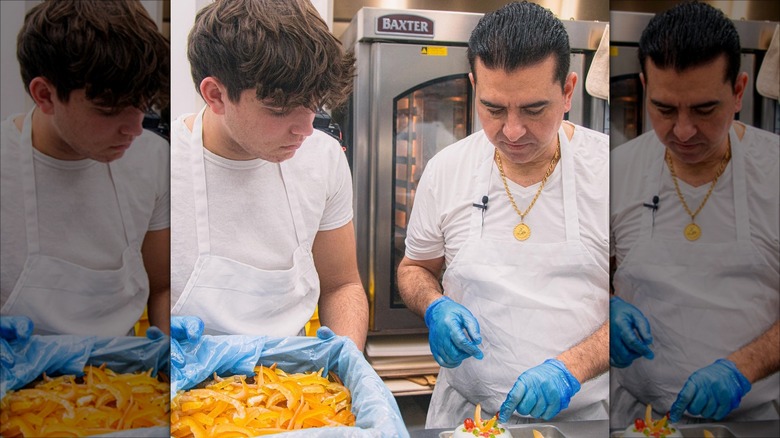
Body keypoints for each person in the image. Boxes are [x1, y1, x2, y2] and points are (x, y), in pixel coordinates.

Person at [397, 2, 610, 428]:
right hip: (466, 418)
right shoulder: (446, 169)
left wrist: (570, 367)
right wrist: (434, 305)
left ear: (568, 91)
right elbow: (415, 267)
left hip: (582, 420)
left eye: (534, 109)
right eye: (494, 108)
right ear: (474, 85)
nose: (511, 131)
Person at [610, 1, 779, 429]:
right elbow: (587, 276)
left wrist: (742, 366)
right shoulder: (616, 171)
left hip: (752, 420)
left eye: (705, 109)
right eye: (664, 109)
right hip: (637, 418)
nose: (682, 131)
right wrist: (603, 309)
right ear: (646, 86)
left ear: (739, 91)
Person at [171, 0, 368, 349]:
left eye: (314, 104)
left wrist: (347, 361)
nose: (306, 129)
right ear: (216, 94)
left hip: (290, 387)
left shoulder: (322, 159)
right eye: (279, 110)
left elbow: (341, 285)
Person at [0, 0, 171, 336]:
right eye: (108, 110)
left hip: (122, 378)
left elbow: (162, 287)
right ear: (45, 95)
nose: (135, 129)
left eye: (142, 105)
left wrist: (169, 351)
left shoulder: (153, 159)